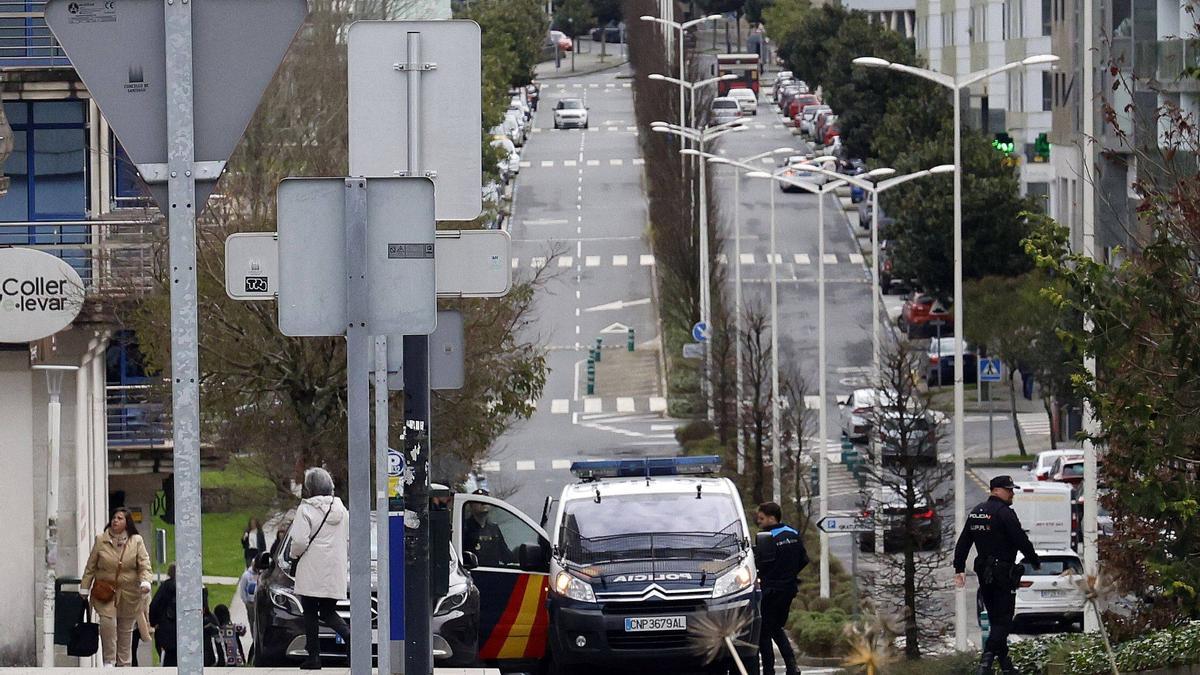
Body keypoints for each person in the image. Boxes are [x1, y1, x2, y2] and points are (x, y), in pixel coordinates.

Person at [954, 475, 1041, 675]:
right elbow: (1021, 540)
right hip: (1003, 573)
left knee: (995, 620)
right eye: (1009, 490)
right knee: (1004, 621)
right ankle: (985, 663)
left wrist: (959, 568)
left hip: (984, 574)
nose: (1012, 494)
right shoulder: (1004, 513)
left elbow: (964, 542)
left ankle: (1006, 666)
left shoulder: (977, 513)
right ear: (997, 490)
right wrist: (1034, 561)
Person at [286, 467, 351, 670]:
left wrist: (293, 556)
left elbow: (298, 542)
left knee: (311, 612)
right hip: (334, 569)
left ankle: (314, 656)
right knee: (329, 611)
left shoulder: (305, 510)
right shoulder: (342, 510)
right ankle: (351, 639)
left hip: (312, 569)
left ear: (310, 488)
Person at [80, 507, 153, 667]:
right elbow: (90, 567)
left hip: (129, 593)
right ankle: (109, 661)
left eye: (120, 518)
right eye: (114, 517)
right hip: (105, 592)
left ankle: (124, 664)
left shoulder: (136, 541)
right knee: (108, 623)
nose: (115, 521)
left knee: (125, 629)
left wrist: (145, 581)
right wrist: (84, 587)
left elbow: (144, 565)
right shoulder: (101, 540)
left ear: (127, 523)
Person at [755, 501, 809, 675]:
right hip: (788, 589)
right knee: (775, 626)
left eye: (761, 518)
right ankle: (792, 666)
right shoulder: (793, 533)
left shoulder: (767, 537)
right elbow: (803, 560)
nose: (759, 522)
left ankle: (770, 670)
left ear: (772, 518)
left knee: (764, 630)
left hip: (770, 590)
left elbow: (760, 564)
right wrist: (789, 574)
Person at [461, 489, 514, 567]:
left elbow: (505, 554)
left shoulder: (494, 528)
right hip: (473, 573)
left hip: (493, 573)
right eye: (479, 501)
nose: (483, 504)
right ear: (471, 505)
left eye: (486, 501)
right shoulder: (465, 528)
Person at [148, 564, 178, 666]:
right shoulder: (188, 588)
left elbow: (154, 606)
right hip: (182, 633)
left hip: (165, 632)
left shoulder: (165, 587)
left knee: (166, 660)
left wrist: (153, 623)